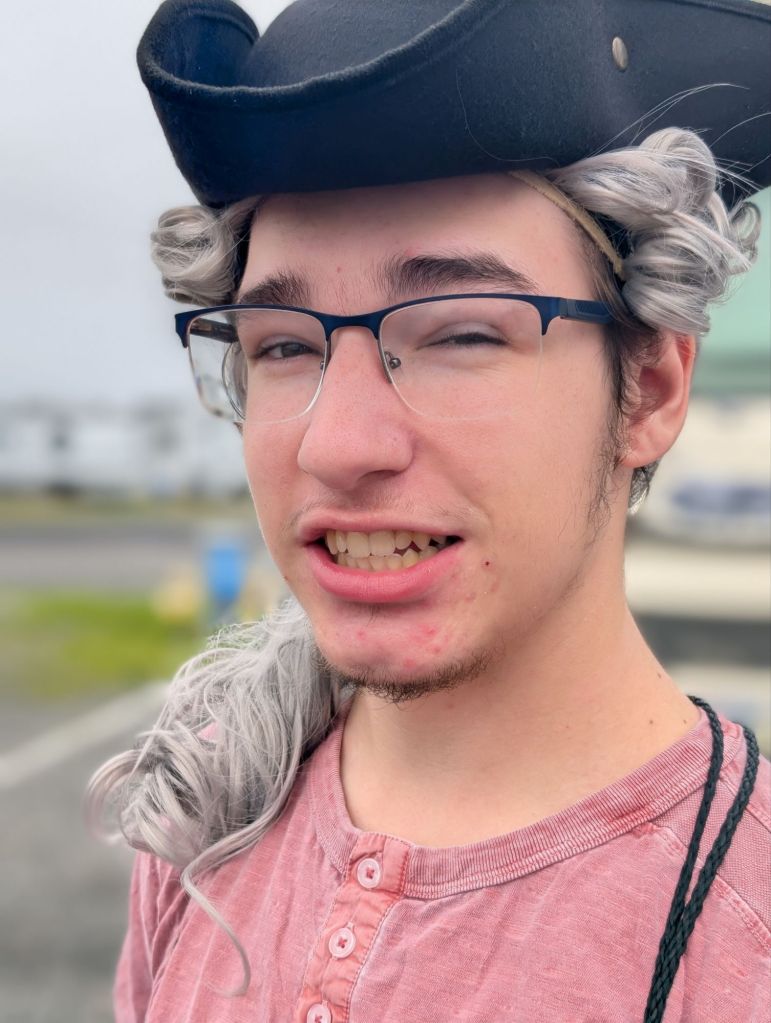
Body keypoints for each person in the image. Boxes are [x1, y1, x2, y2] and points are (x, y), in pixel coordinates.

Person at [87, 1, 771, 1020]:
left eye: (459, 334)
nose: (336, 444)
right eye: (283, 345)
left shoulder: (742, 932)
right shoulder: (205, 820)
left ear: (651, 389)